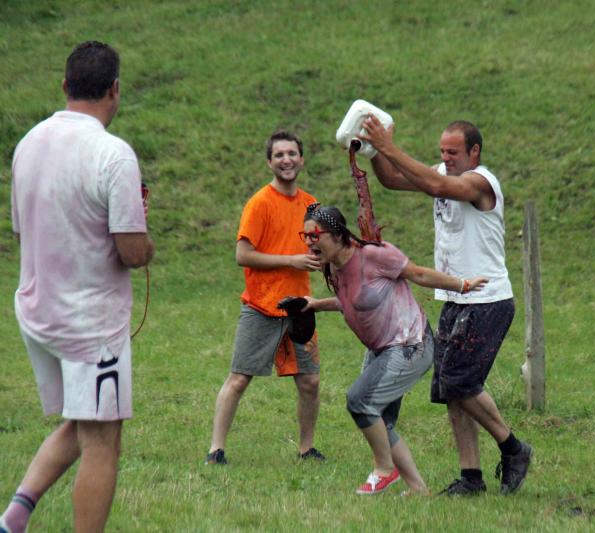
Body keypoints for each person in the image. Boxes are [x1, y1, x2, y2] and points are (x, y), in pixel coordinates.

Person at [2, 41, 154, 533]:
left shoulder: (27, 143)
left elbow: (23, 231)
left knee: (81, 417)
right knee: (102, 439)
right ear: (115, 89)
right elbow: (132, 252)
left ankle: (14, 517)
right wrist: (147, 245)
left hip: (37, 311)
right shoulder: (113, 153)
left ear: (64, 85)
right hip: (88, 323)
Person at [359, 117, 532, 496]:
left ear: (475, 152)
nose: (445, 158)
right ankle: (471, 478)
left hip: (486, 299)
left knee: (460, 381)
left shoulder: (481, 182)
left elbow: (437, 184)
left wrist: (388, 144)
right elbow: (392, 179)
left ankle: (514, 449)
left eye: (453, 152)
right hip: (455, 296)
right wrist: (371, 151)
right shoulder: (444, 173)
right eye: (442, 152)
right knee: (450, 391)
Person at [301, 204, 488, 495]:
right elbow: (353, 301)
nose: (310, 243)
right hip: (381, 350)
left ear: (337, 235)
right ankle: (418, 489)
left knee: (359, 401)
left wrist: (462, 285)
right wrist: (315, 304)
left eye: (316, 236)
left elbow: (419, 274)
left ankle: (385, 470)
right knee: (380, 420)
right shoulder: (335, 268)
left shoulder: (375, 255)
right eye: (306, 236)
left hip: (410, 344)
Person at [205, 130, 325, 466]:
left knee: (310, 382)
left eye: (292, 154)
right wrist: (291, 260)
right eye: (279, 155)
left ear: (301, 159)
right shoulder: (260, 203)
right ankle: (216, 450)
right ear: (269, 162)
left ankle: (306, 449)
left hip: (300, 307)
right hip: (262, 306)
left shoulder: (311, 204)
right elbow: (243, 255)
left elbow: (320, 249)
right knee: (240, 378)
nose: (286, 160)